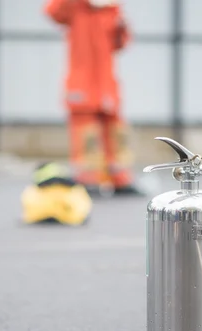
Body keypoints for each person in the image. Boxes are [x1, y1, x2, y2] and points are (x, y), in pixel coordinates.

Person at [44, 0, 141, 195]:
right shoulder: (76, 9)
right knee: (85, 131)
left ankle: (120, 178)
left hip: (106, 84)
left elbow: (120, 43)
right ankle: (89, 179)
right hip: (82, 85)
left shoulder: (112, 12)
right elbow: (53, 11)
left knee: (115, 131)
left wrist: (120, 24)